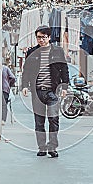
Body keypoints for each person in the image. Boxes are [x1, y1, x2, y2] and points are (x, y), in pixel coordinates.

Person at [21, 25, 69, 157]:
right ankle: (42, 147)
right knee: (39, 120)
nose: (41, 40)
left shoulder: (57, 51)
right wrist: (24, 85)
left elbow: (64, 69)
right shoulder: (31, 52)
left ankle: (52, 147)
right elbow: (26, 71)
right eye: (38, 37)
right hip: (37, 92)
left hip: (52, 92)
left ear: (49, 37)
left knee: (53, 119)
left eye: (43, 37)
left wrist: (64, 87)